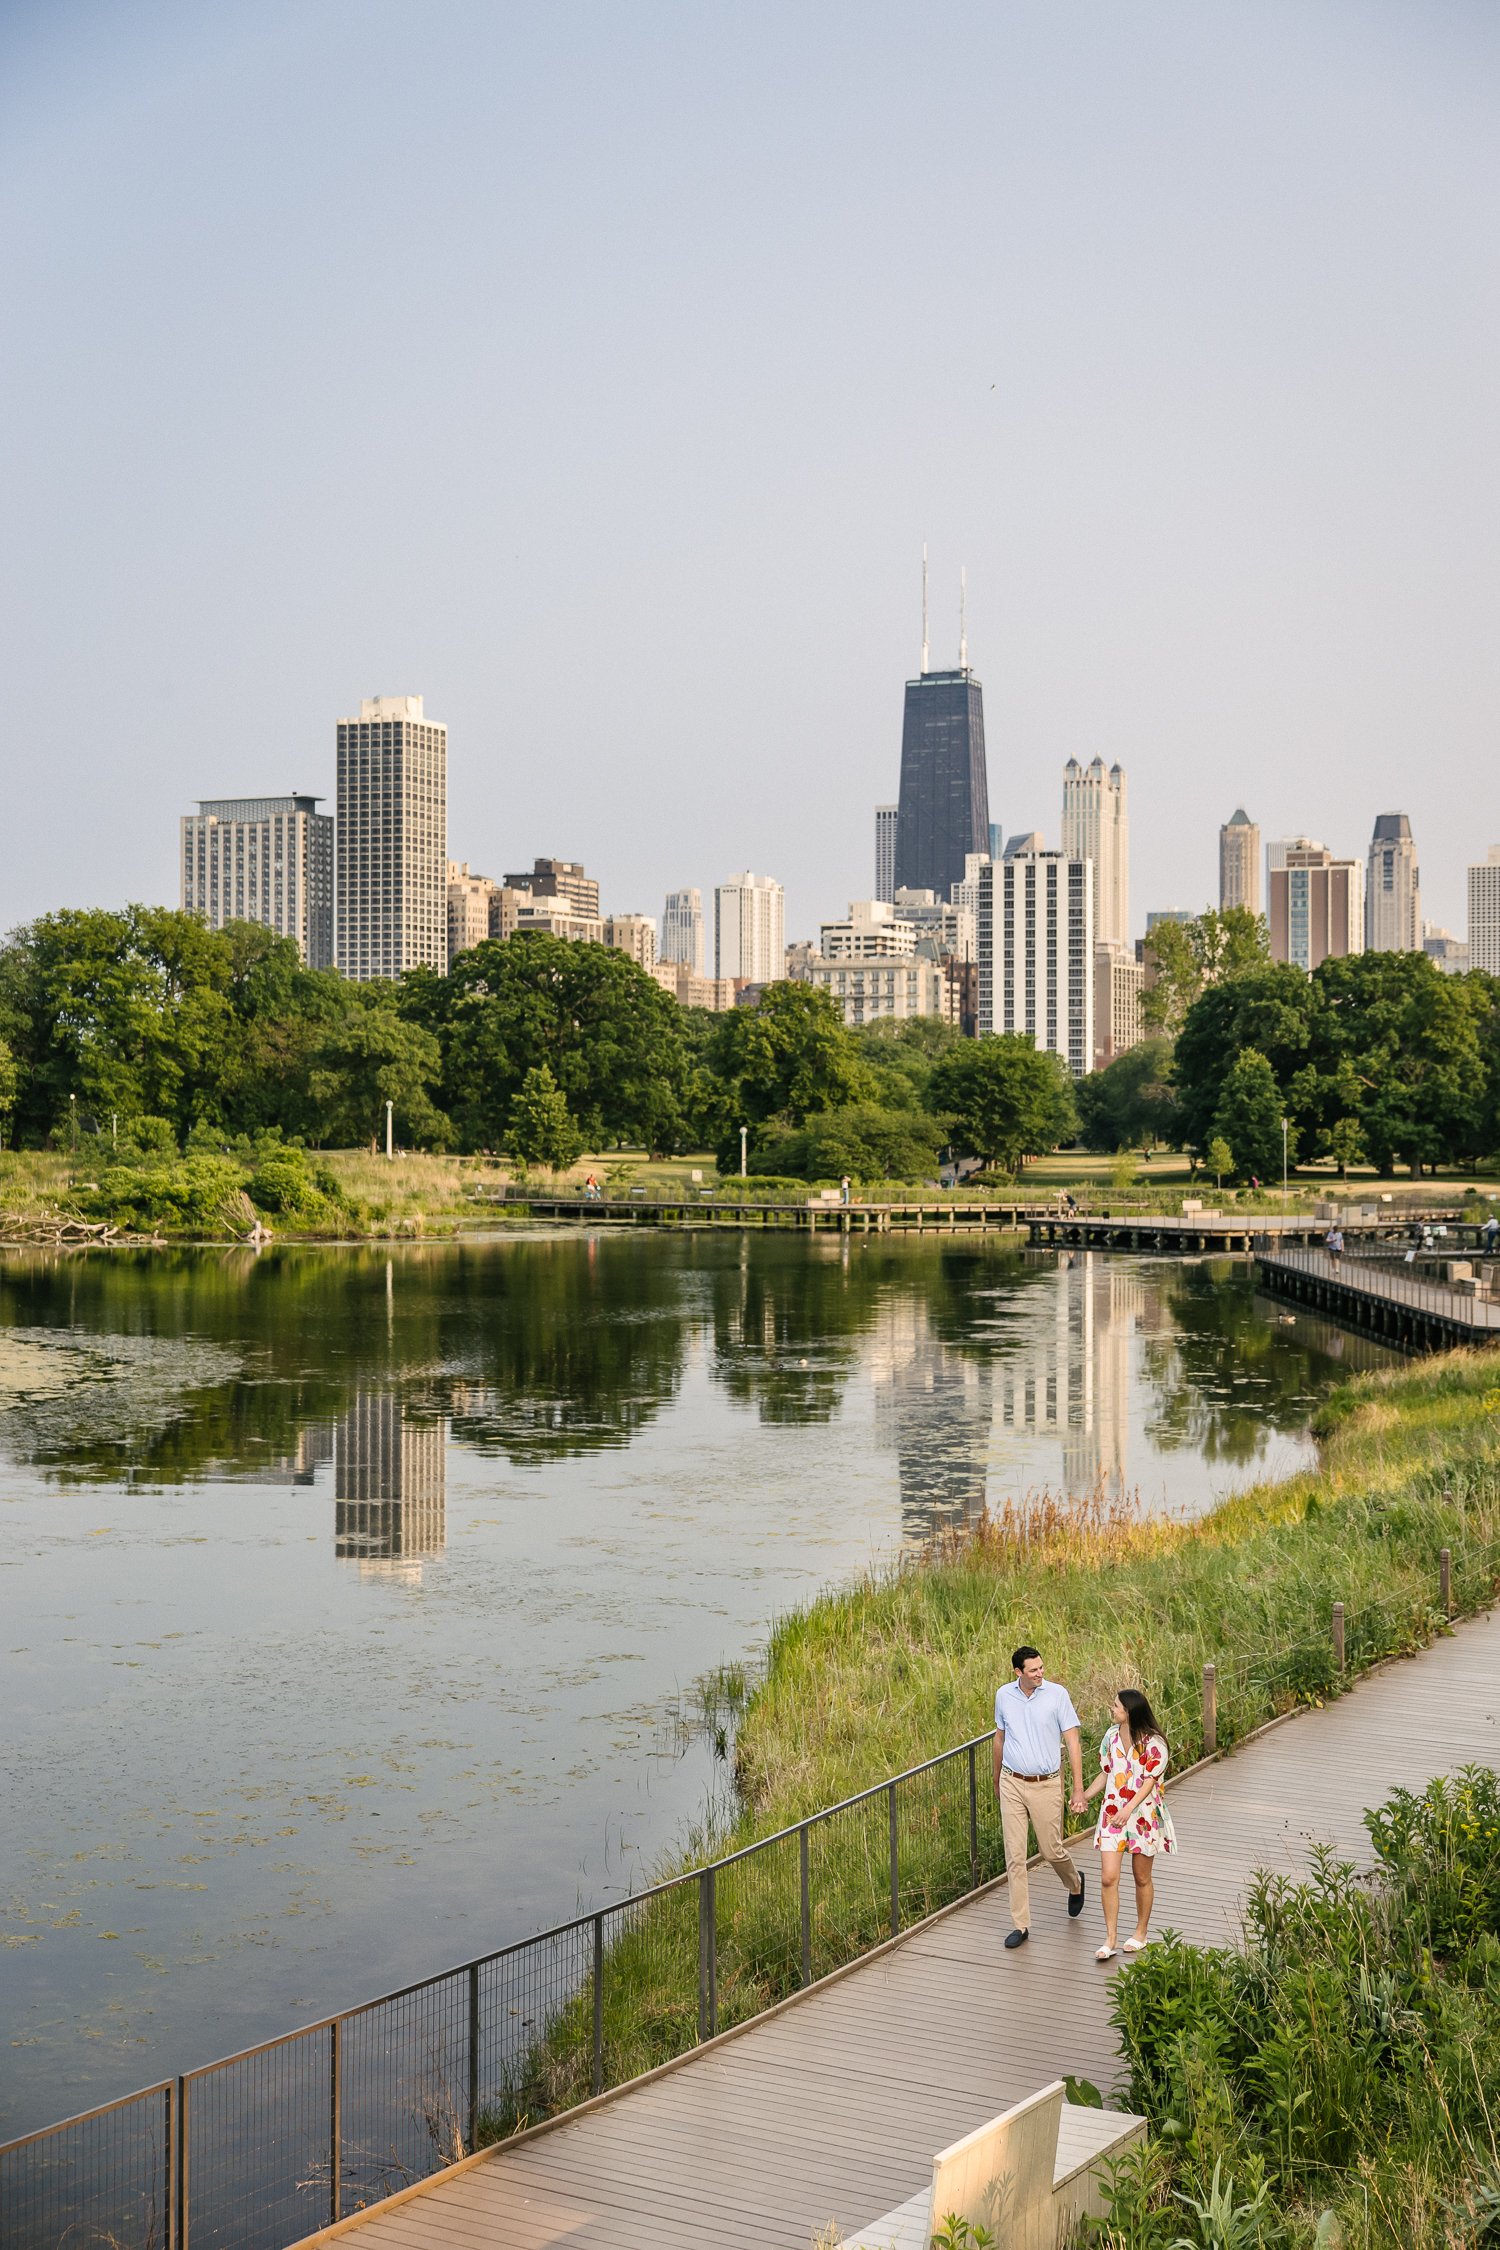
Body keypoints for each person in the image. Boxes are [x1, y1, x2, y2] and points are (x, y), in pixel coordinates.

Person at [993, 1645, 1088, 1950]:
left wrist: (1077, 1787)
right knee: (1015, 1856)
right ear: (1017, 1672)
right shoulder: (1004, 1695)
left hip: (1046, 1784)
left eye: (1041, 1668)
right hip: (1012, 1783)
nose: (1040, 1674)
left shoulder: (1057, 1695)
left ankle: (1075, 1883)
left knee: (1051, 1850)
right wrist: (996, 1779)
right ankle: (1020, 1925)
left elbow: (1072, 1741)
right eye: (1033, 1670)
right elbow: (1000, 1737)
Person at [1082, 1687, 1176, 1961]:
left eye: (1116, 1706)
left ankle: (1140, 1932)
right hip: (1113, 1813)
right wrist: (1084, 1796)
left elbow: (1149, 1782)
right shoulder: (1110, 1737)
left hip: (1143, 1816)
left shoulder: (1154, 1743)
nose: (1112, 1709)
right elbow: (1106, 1773)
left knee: (1141, 1877)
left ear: (1129, 1711)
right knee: (1108, 1877)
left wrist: (1129, 1809)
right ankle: (1110, 1939)